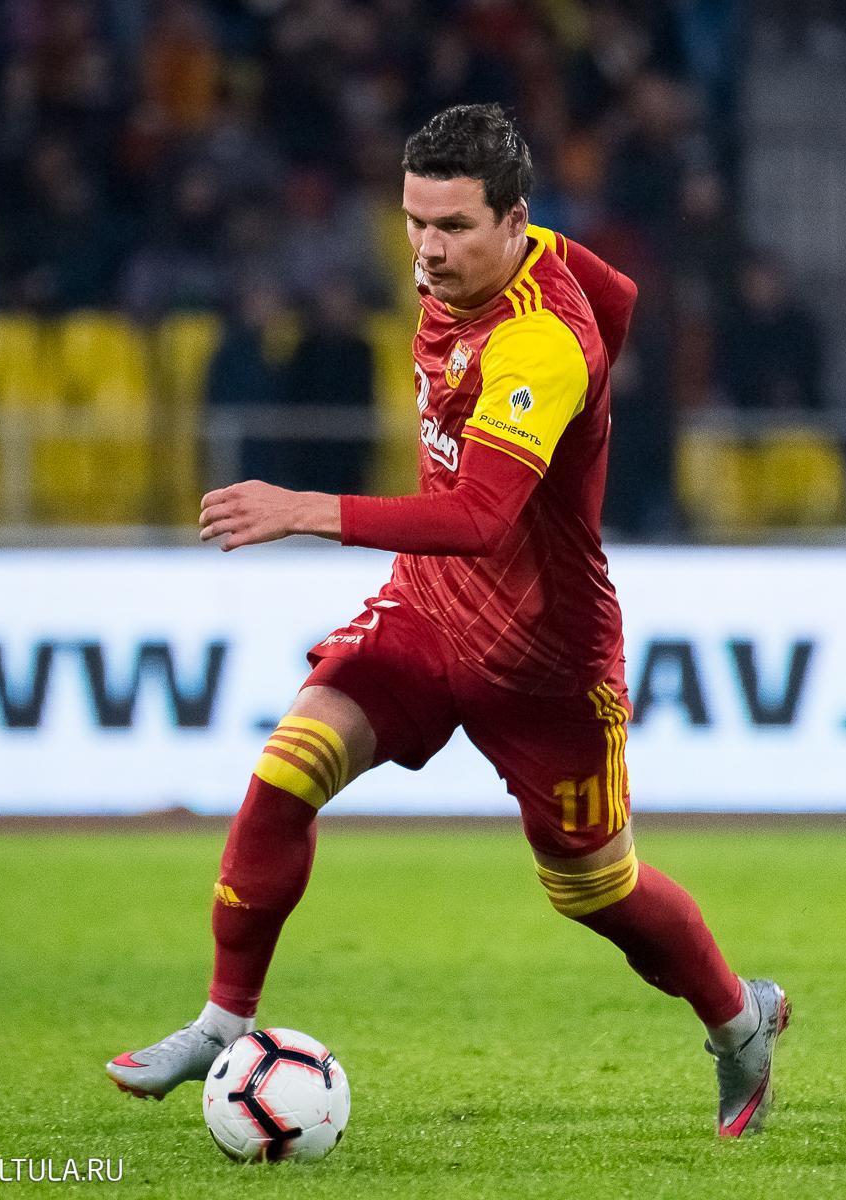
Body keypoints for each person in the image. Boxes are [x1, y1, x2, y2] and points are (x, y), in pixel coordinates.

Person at [106, 104, 788, 1139]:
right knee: (286, 772)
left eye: (455, 226)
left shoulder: (539, 347)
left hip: (546, 658)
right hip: (429, 609)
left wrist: (303, 510)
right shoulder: (520, 262)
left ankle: (739, 1023)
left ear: (514, 221)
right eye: (415, 222)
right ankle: (221, 1023)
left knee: (595, 891)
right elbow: (624, 297)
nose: (427, 250)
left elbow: (479, 519)